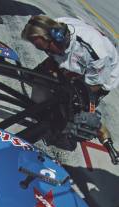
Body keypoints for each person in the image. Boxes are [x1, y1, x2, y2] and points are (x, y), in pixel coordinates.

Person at [21, 15, 119, 161]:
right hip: (74, 59)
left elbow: (93, 86)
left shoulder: (96, 53)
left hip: (98, 77)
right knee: (36, 78)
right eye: (40, 49)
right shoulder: (57, 25)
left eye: (45, 48)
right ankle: (41, 112)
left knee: (73, 112)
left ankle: (64, 136)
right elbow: (53, 55)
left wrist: (70, 96)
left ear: (57, 38)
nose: (45, 52)